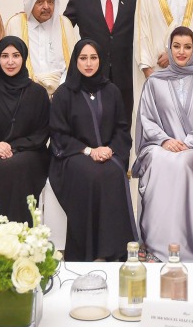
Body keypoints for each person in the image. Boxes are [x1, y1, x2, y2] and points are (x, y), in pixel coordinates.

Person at [133, 26, 193, 261]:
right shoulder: (154, 82)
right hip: (161, 145)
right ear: (169, 48)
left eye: (187, 47)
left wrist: (188, 142)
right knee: (157, 160)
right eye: (176, 46)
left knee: (186, 162)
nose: (182, 52)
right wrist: (164, 140)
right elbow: (147, 118)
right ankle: (155, 244)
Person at [48, 39, 137, 261]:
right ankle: (88, 251)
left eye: (93, 58)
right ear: (75, 61)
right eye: (83, 58)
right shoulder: (64, 93)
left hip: (108, 154)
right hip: (73, 156)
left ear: (101, 60)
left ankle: (113, 251)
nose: (89, 64)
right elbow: (59, 135)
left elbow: (122, 128)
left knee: (113, 173)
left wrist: (110, 149)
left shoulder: (111, 91)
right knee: (91, 174)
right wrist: (88, 151)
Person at [0, 36, 51, 228]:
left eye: (16, 55)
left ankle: (20, 235)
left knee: (13, 166)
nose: (10, 61)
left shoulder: (37, 93)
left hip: (29, 153)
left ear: (23, 58)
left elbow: (42, 132)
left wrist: (13, 146)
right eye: (5, 56)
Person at [63, 0, 139, 117]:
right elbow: (63, 27)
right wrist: (31, 17)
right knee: (93, 121)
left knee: (123, 124)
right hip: (91, 75)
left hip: (125, 75)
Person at [3, 0, 77, 96]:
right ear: (31, 4)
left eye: (50, 2)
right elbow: (8, 61)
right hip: (25, 91)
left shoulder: (64, 24)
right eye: (40, 2)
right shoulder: (16, 23)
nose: (46, 6)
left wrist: (63, 89)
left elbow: (73, 60)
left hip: (62, 91)